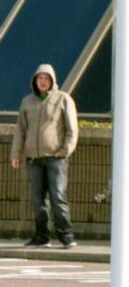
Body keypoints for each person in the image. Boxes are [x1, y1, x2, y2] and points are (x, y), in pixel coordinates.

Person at [10, 64, 79, 249]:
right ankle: (42, 237)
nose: (42, 81)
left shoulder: (63, 99)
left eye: (46, 78)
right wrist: (16, 153)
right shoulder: (27, 101)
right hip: (33, 159)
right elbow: (20, 131)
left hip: (56, 158)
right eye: (39, 78)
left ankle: (67, 236)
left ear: (52, 81)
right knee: (38, 200)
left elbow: (72, 130)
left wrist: (65, 151)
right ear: (35, 80)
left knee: (58, 197)